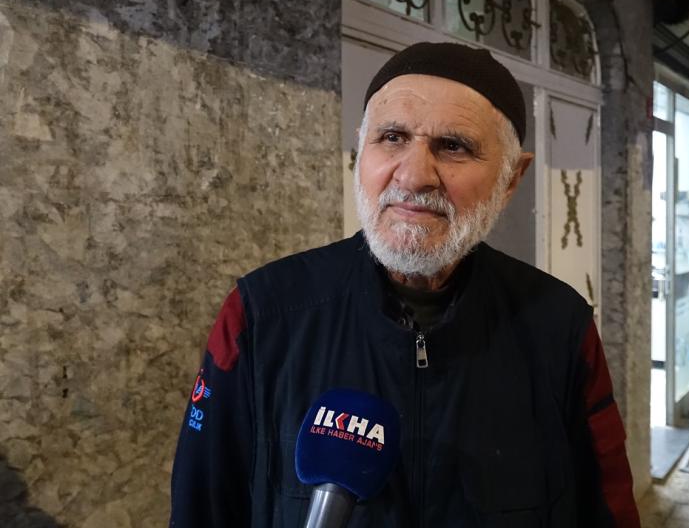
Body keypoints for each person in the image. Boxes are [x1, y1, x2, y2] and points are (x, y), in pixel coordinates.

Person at [170, 42, 640, 527]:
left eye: (453, 146)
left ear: (510, 179)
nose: (414, 177)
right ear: (361, 150)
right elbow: (201, 509)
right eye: (392, 137)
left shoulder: (560, 326)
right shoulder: (262, 314)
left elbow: (609, 512)